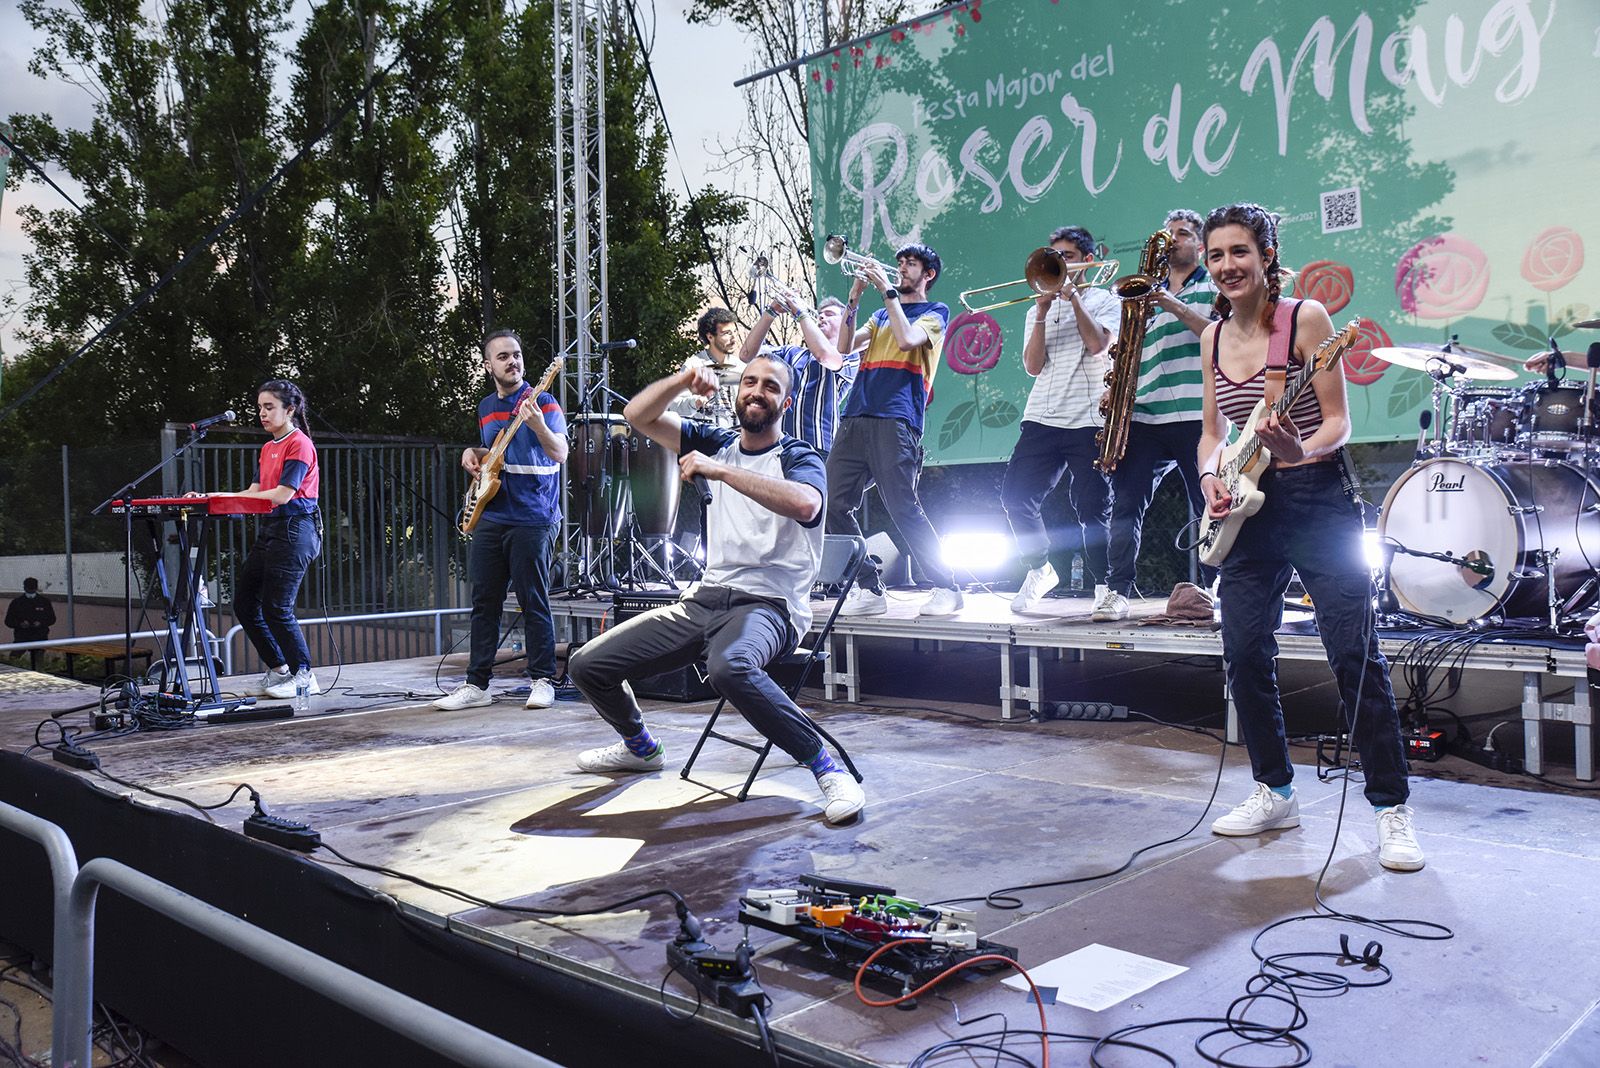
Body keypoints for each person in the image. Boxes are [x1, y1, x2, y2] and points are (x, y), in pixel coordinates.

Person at [1196, 202, 1423, 872]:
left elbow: (1337, 424)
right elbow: (1214, 430)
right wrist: (1212, 473)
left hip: (1314, 499)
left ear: (1266, 255)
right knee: (1242, 653)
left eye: (1240, 252)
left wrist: (1295, 449)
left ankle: (1391, 808)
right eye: (1216, 255)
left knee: (1353, 654)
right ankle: (1274, 788)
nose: (1227, 266)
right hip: (1245, 509)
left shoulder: (1308, 322)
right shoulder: (1210, 337)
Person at [568, 355, 866, 824]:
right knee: (586, 664)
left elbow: (807, 504)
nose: (756, 391)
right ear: (737, 392)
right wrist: (682, 380)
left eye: (770, 386)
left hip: (771, 606)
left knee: (728, 667)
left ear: (785, 403)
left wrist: (721, 471)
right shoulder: (717, 441)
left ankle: (825, 768)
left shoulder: (797, 455)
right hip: (705, 599)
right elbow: (638, 415)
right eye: (750, 382)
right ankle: (641, 748)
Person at [1094, 209, 1219, 622]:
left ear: (1200, 245)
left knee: (1208, 502)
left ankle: (1214, 587)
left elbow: (1217, 336)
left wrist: (1168, 301)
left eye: (1182, 234)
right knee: (1125, 503)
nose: (1172, 241)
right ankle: (1117, 591)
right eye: (1167, 235)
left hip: (1196, 414)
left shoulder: (1213, 285)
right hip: (1144, 415)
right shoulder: (1142, 293)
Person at [435, 330, 568, 711]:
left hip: (533, 516)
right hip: (492, 514)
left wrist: (539, 424)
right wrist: (470, 452)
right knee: (484, 601)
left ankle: (543, 679)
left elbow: (559, 452)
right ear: (488, 365)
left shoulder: (544, 400)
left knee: (533, 599)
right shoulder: (486, 406)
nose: (513, 361)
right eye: (504, 356)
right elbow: (494, 452)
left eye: (517, 354)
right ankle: (477, 685)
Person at [826, 243, 961, 617]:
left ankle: (947, 585)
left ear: (928, 274)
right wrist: (853, 299)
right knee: (833, 504)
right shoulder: (879, 313)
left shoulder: (936, 312)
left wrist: (887, 291)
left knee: (903, 506)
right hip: (856, 414)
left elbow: (907, 340)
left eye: (910, 264)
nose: (901, 268)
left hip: (897, 418)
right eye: (899, 263)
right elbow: (842, 348)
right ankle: (869, 587)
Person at [1000, 227, 1120, 611]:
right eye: (1054, 256)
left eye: (1067, 256)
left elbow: (1098, 344)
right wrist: (1040, 313)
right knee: (1015, 498)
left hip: (1088, 417)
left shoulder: (1105, 299)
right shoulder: (1040, 307)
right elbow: (1033, 366)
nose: (1059, 263)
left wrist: (1073, 299)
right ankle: (1039, 568)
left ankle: (1104, 584)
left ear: (1088, 261)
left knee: (1092, 507)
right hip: (1042, 417)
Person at [226, 380, 323, 699]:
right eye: (260, 408)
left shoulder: (299, 443)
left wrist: (225, 498)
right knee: (244, 603)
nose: (262, 414)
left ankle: (304, 675)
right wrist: (213, 497)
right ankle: (280, 670)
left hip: (296, 530)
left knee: (277, 607)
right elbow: (254, 494)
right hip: (271, 530)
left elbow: (282, 495)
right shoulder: (268, 448)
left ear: (290, 410)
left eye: (269, 407)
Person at [738, 287, 860, 454]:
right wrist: (771, 312)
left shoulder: (849, 355)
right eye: (820, 315)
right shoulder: (791, 352)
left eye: (830, 314)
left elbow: (824, 356)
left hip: (820, 450)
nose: (822, 317)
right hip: (782, 449)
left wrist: (801, 314)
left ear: (845, 321)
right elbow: (746, 355)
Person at [670, 307, 745, 427]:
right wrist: (695, 402)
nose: (734, 338)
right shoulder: (693, 365)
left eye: (734, 332)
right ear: (710, 337)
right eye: (726, 333)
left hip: (737, 437)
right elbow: (674, 407)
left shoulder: (741, 368)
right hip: (707, 436)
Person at [6, 577, 56, 670]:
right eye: (29, 588)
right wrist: (20, 624)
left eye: (32, 588)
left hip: (39, 636)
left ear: (36, 588)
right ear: (25, 588)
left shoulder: (44, 602)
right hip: (22, 637)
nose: (30, 591)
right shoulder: (17, 603)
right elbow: (8, 621)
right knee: (13, 660)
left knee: (38, 664)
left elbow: (52, 619)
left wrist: (40, 623)